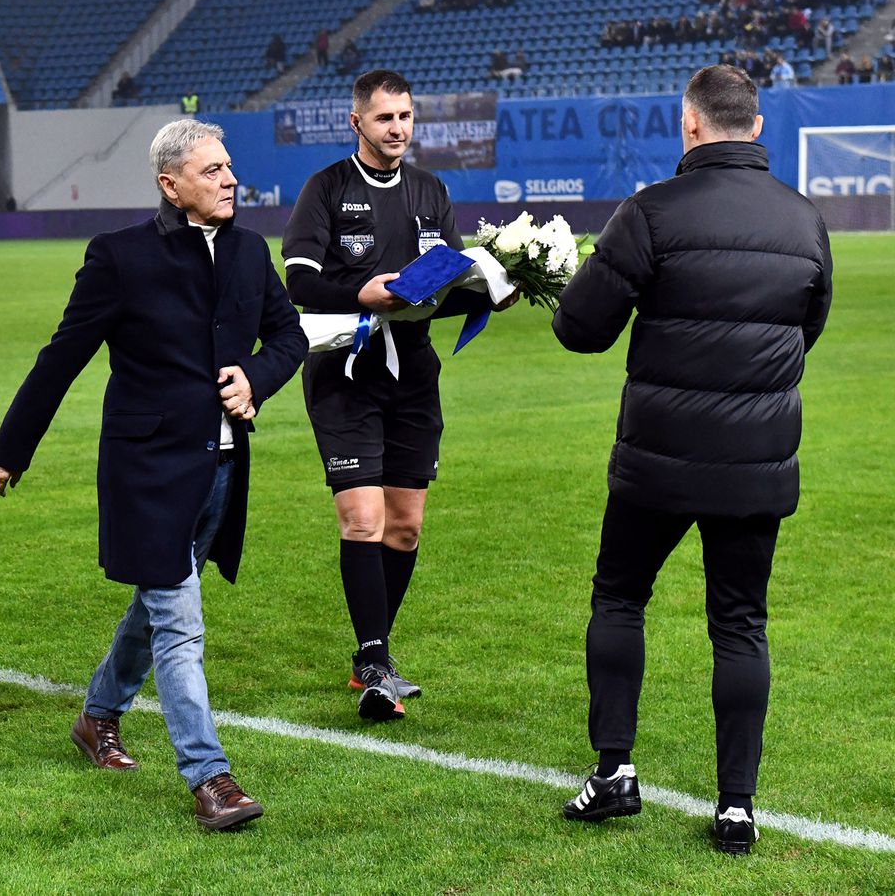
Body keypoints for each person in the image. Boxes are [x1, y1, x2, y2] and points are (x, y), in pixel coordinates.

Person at [0, 120, 306, 830]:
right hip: (146, 472)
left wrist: (255, 376)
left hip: (222, 469)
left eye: (230, 168)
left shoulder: (252, 252)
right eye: (213, 170)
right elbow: (62, 354)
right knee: (181, 626)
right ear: (170, 184)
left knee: (158, 607)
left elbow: (291, 337)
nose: (229, 180)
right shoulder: (119, 257)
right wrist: (12, 445)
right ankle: (211, 778)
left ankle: (97, 717)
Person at [553, 65, 831, 855]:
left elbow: (580, 328)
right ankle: (737, 806)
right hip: (756, 458)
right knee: (740, 625)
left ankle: (614, 774)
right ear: (757, 127)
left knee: (619, 598)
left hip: (659, 459)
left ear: (691, 126)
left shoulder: (651, 212)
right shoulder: (804, 220)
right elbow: (807, 326)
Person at [282, 69, 510, 722]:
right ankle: (376, 659)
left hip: (413, 376)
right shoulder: (325, 189)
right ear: (357, 123)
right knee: (363, 520)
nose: (399, 128)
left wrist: (490, 289)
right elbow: (297, 282)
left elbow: (440, 290)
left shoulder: (430, 191)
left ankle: (371, 660)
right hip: (343, 375)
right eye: (385, 118)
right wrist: (361, 293)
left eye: (406, 116)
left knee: (404, 529)